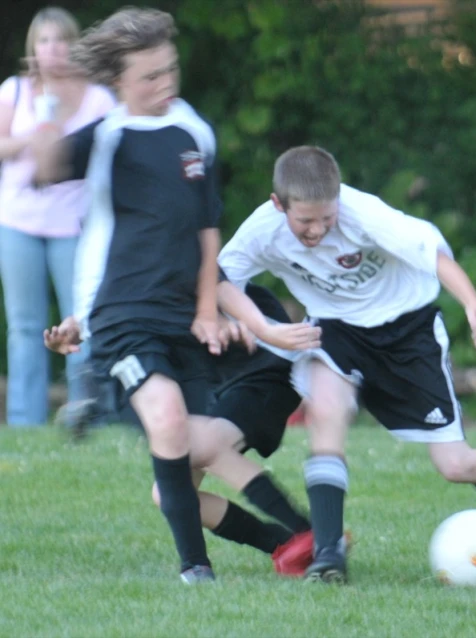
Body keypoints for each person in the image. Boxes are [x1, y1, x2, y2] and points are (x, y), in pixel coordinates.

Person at [218, 145, 476, 584]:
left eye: (327, 217)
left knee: (457, 465)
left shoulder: (364, 214)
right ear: (277, 203)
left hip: (406, 334)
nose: (319, 229)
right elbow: (223, 279)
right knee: (326, 409)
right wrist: (261, 329)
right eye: (305, 221)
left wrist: (475, 306)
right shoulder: (262, 229)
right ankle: (329, 554)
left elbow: (433, 256)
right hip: (336, 329)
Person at [32, 8, 321, 584]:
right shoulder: (107, 137)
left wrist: (209, 309)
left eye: (171, 71)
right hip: (124, 318)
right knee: (168, 421)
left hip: (184, 322)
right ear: (117, 82)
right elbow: (44, 169)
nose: (165, 85)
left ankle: (294, 540)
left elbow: (207, 231)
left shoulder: (194, 131)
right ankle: (199, 569)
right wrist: (51, 108)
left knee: (185, 473)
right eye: (149, 77)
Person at [45, 281, 324, 578]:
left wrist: (229, 318)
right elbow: (122, 300)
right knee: (169, 494)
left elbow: (211, 283)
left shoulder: (183, 248)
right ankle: (283, 545)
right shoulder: (132, 264)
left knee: (200, 445)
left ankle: (310, 534)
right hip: (217, 383)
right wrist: (75, 325)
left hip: (264, 371)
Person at [0, 7, 116, 426]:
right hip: (18, 223)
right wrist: (33, 139)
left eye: (62, 40)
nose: (53, 49)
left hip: (75, 226)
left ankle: (85, 412)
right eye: (45, 40)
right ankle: (24, 421)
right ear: (33, 47)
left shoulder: (99, 98)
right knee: (25, 327)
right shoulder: (12, 92)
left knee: (80, 320)